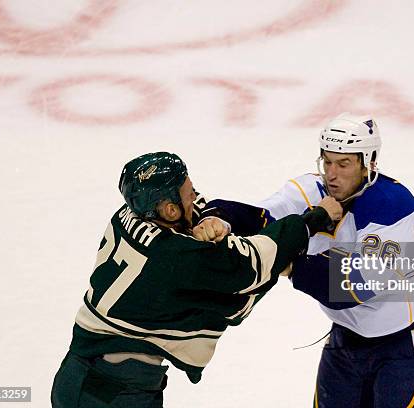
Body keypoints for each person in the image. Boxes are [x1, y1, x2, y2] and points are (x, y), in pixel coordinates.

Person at [195, 114, 414, 407]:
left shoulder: (392, 205)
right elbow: (262, 220)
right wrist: (218, 218)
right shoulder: (310, 192)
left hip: (405, 346)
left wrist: (286, 262)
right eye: (327, 162)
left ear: (368, 163)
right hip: (345, 342)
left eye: (344, 164)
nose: (332, 174)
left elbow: (357, 284)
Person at [51, 151, 342, 407]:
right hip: (111, 393)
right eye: (188, 192)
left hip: (84, 374)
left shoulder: (129, 213)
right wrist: (312, 219)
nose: (195, 196)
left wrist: (208, 220)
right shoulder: (176, 257)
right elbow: (250, 265)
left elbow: (195, 212)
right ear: (170, 209)